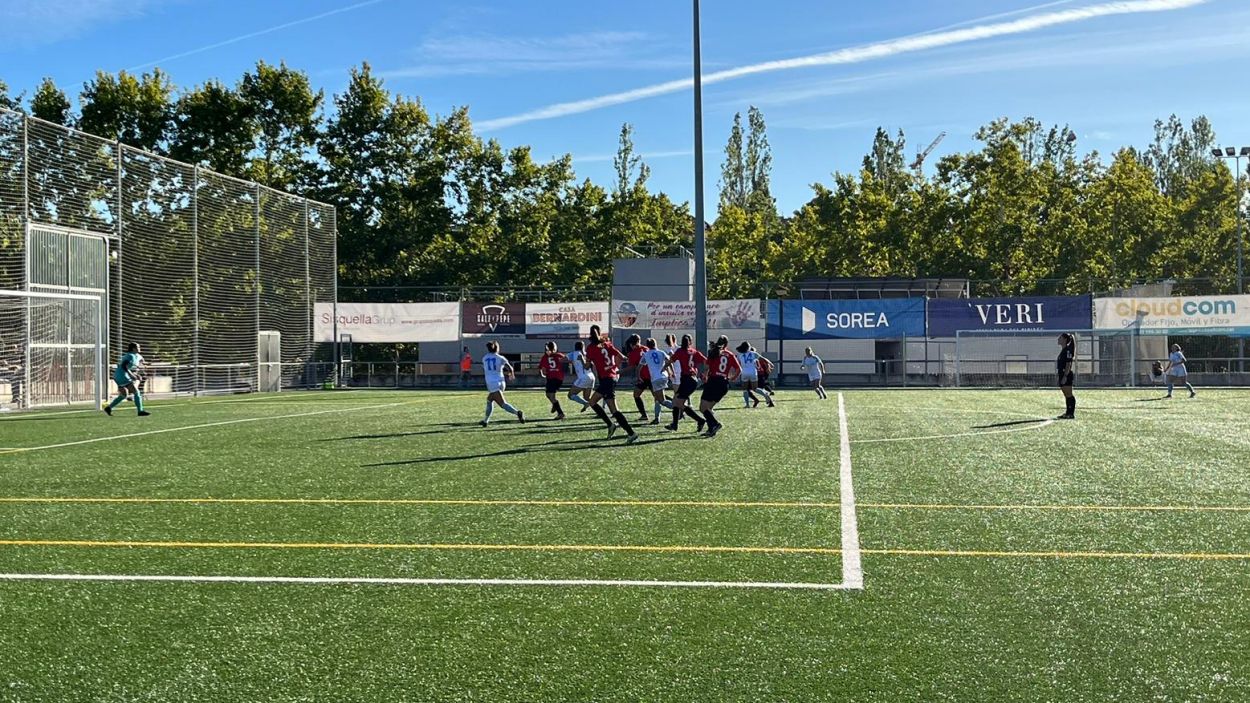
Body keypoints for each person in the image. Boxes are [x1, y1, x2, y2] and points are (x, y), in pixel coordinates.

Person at [585, 325, 639, 442]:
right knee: (611, 408)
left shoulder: (590, 348)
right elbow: (622, 357)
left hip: (606, 379)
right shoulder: (607, 344)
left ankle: (626, 431)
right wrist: (614, 366)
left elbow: (587, 365)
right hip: (612, 377)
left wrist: (583, 361)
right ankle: (618, 428)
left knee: (594, 402)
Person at [662, 334, 707, 433]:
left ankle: (699, 420)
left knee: (677, 402)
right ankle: (675, 424)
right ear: (690, 342)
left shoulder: (680, 351)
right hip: (691, 380)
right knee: (677, 402)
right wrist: (704, 374)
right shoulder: (694, 351)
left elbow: (670, 361)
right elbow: (706, 361)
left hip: (687, 380)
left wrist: (663, 368)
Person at [700, 336, 741, 437]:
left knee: (703, 408)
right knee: (708, 408)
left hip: (713, 381)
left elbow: (707, 368)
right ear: (726, 344)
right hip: (723, 383)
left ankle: (715, 424)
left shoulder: (713, 352)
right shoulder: (730, 354)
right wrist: (732, 378)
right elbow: (739, 369)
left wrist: (704, 376)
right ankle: (711, 429)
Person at [479, 341, 524, 427]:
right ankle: (485, 421)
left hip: (492, 383)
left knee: (503, 404)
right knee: (489, 400)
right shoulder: (501, 358)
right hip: (501, 381)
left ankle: (517, 412)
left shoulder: (484, 358)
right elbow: (510, 368)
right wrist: (511, 375)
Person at [104, 342, 150, 417]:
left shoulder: (137, 356)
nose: (139, 348)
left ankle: (109, 408)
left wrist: (142, 366)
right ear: (133, 348)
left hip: (117, 376)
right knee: (136, 392)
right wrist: (132, 375)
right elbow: (124, 366)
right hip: (122, 375)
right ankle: (140, 411)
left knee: (124, 395)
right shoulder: (130, 356)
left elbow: (141, 361)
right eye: (138, 347)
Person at [641, 338, 676, 425]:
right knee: (657, 399)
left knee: (661, 400)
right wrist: (672, 372)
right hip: (664, 376)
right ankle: (657, 418)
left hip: (656, 378)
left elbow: (639, 367)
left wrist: (638, 377)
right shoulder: (661, 352)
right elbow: (670, 362)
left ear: (647, 346)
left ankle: (679, 408)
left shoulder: (646, 354)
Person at [624, 334, 653, 422]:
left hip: (643, 377)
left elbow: (631, 367)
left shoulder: (633, 353)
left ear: (631, 344)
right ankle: (644, 415)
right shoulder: (646, 348)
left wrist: (619, 372)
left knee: (660, 398)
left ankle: (678, 405)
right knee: (637, 394)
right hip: (651, 375)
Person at [736, 342, 774, 408]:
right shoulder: (753, 353)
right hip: (753, 372)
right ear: (748, 347)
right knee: (755, 388)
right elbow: (763, 358)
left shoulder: (740, 355)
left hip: (744, 372)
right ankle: (766, 395)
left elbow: (738, 364)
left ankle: (747, 405)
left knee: (745, 389)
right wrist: (770, 363)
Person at [538, 341, 569, 420]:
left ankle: (560, 413)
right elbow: (567, 361)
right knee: (551, 395)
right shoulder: (559, 355)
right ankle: (555, 405)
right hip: (559, 378)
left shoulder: (545, 357)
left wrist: (545, 372)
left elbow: (543, 371)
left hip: (551, 378)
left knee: (550, 395)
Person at [566, 340, 595, 412]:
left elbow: (562, 360)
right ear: (583, 347)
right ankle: (602, 408)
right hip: (591, 376)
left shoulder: (574, 353)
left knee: (571, 395)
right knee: (587, 397)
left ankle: (585, 404)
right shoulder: (587, 354)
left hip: (584, 377)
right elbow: (592, 364)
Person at [1056, 332, 1077, 420]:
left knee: (1069, 394)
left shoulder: (1067, 350)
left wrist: (1065, 376)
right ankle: (1068, 412)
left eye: (1060, 338)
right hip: (1062, 373)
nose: (1058, 339)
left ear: (1064, 339)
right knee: (1066, 394)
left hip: (1066, 374)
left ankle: (1070, 413)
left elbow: (1068, 364)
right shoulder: (1064, 350)